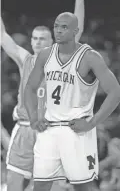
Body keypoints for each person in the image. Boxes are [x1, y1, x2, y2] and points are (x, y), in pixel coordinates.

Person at [1, 0, 87, 191]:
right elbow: (2, 36)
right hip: (24, 130)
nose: (38, 43)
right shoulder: (25, 60)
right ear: (31, 41)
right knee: (13, 186)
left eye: (43, 39)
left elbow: (76, 32)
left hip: (50, 132)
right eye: (35, 39)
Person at [24, 11, 120, 191]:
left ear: (76, 31)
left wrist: (91, 123)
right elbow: (29, 88)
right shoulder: (45, 55)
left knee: (83, 186)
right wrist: (34, 118)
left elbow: (115, 92)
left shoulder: (90, 57)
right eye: (56, 26)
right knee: (40, 185)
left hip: (76, 130)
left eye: (64, 27)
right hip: (49, 128)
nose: (58, 31)